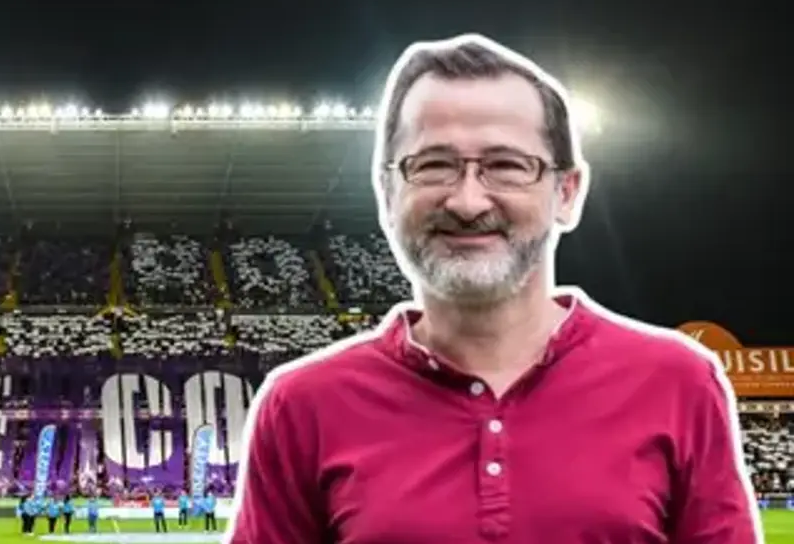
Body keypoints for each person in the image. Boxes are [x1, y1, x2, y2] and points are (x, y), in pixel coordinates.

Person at [227, 34, 763, 544]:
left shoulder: (678, 382)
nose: (467, 202)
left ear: (567, 192)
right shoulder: (301, 406)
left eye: (507, 166)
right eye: (434, 165)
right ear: (388, 193)